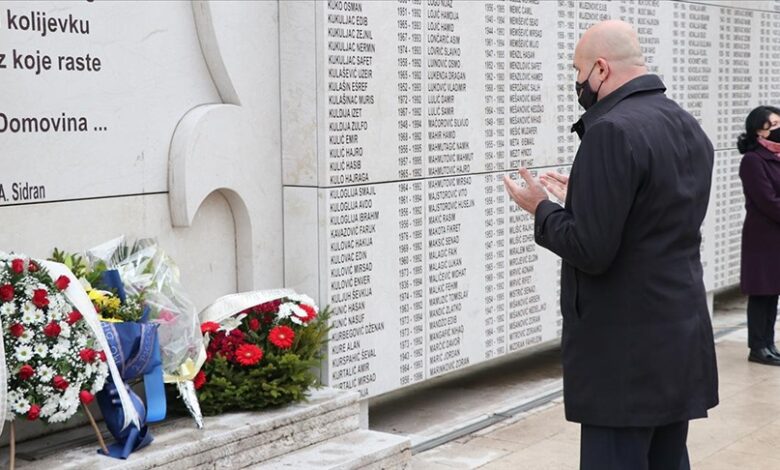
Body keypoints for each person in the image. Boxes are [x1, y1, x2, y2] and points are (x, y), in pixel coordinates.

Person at [503, 20, 718, 470]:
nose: (577, 82)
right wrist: (581, 194)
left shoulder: (611, 131)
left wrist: (541, 208)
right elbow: (650, 218)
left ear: (600, 69)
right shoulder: (685, 123)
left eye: (578, 71)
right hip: (678, 337)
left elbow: (591, 249)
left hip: (626, 355)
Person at [737, 105, 780, 366]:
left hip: (777, 237)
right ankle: (758, 347)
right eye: (772, 124)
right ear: (758, 131)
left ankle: (769, 343)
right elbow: (768, 201)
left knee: (774, 292)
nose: (777, 128)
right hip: (762, 238)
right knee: (761, 293)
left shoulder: (777, 157)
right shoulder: (753, 161)